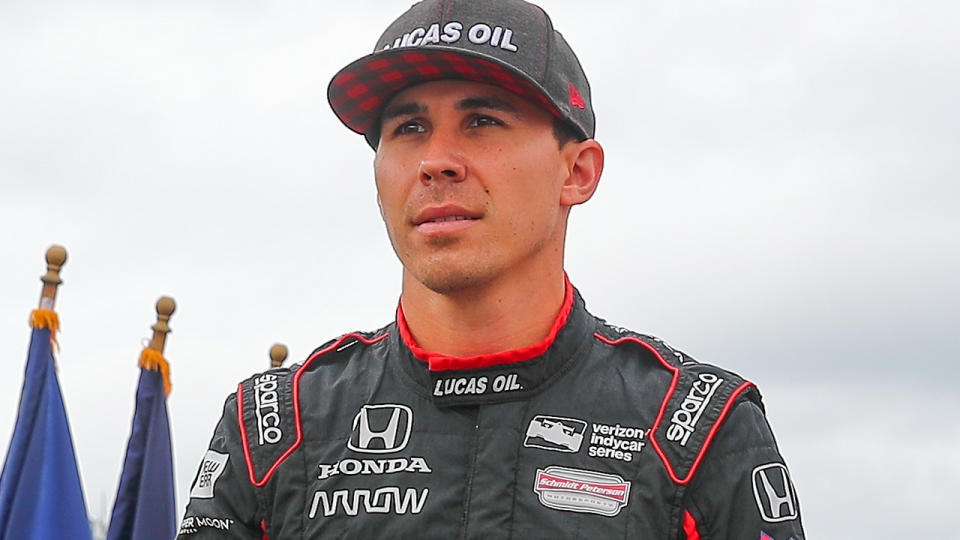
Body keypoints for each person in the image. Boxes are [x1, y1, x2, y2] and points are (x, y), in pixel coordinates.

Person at [177, 0, 805, 538]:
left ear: (578, 171)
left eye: (482, 121)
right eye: (408, 127)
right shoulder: (275, 427)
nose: (437, 161)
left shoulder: (695, 426)